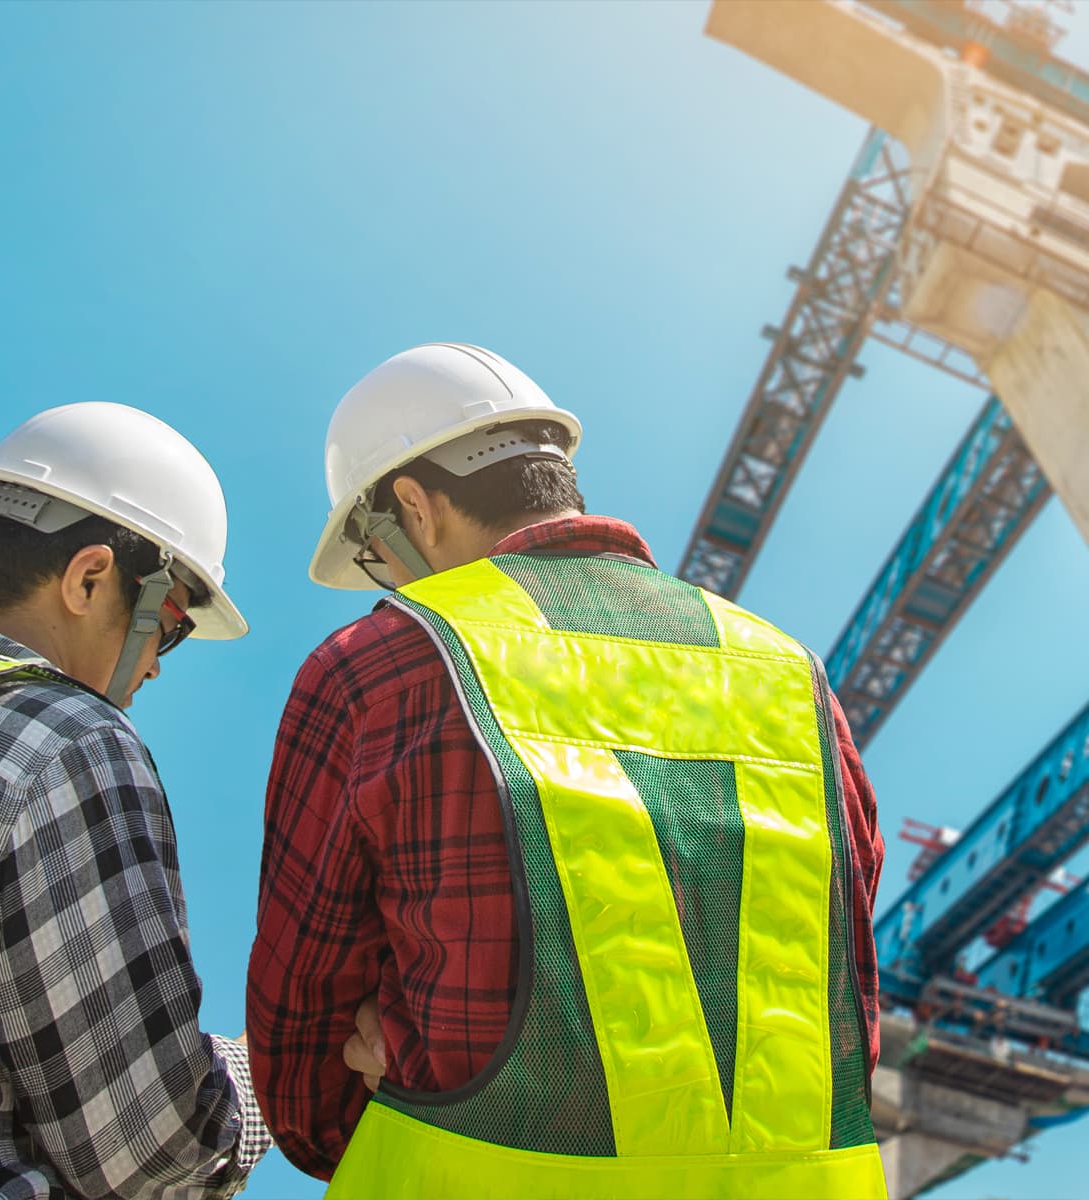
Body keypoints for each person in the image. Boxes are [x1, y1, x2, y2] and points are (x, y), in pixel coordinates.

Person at [247, 343, 887, 1198]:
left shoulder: (384, 661)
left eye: (374, 554)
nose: (389, 579)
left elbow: (305, 1026)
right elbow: (840, 970)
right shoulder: (790, 673)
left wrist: (408, 1064)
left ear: (412, 506)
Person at [0, 401, 271, 1198]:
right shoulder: (62, 736)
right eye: (167, 624)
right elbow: (158, 1149)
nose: (157, 665)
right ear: (89, 577)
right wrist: (268, 1074)